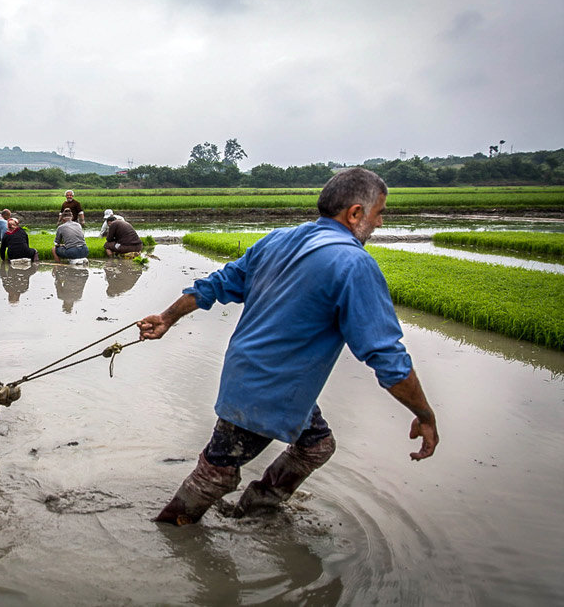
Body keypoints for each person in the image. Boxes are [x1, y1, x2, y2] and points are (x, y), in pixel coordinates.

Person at [136, 167, 438, 525]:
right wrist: (425, 415)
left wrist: (167, 317)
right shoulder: (354, 264)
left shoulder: (278, 240)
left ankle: (256, 509)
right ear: (355, 213)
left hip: (258, 377)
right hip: (270, 389)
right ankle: (169, 531)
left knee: (317, 446)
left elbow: (215, 285)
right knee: (216, 474)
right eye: (379, 213)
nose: (380, 223)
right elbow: (388, 359)